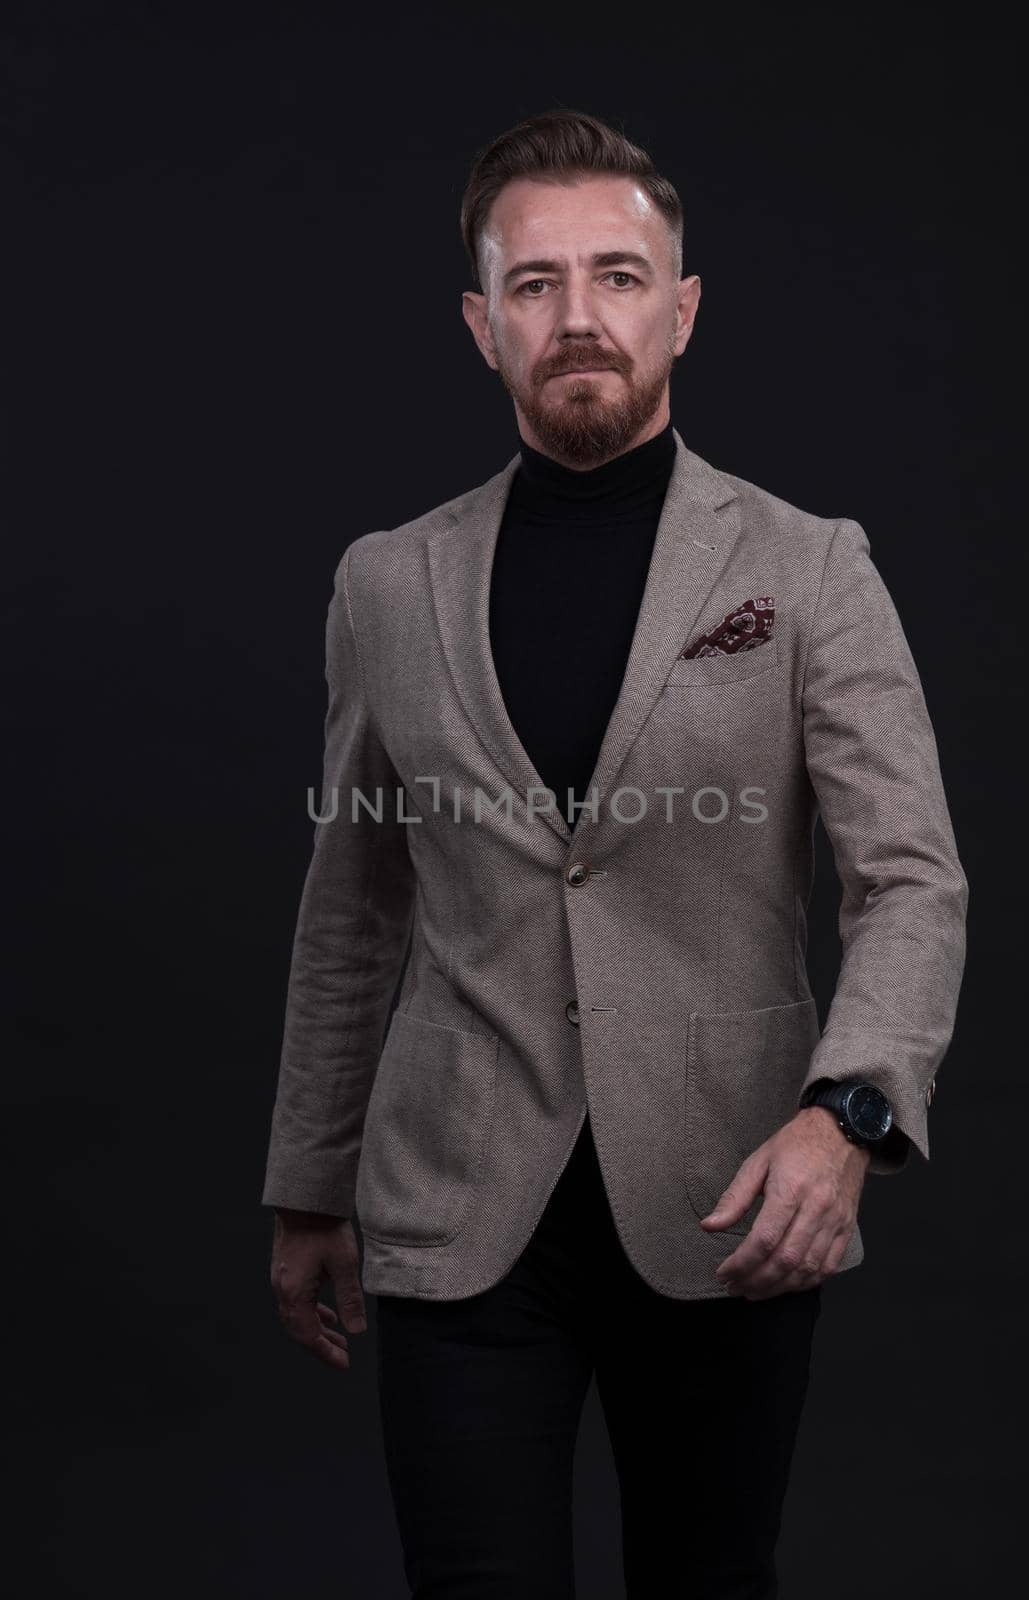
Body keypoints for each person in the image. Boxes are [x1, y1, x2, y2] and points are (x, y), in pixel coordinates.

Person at [262, 108, 967, 1598]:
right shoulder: (386, 583)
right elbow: (353, 907)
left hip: (734, 1202)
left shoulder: (806, 564)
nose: (578, 319)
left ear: (682, 307)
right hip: (455, 1207)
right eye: (534, 285)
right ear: (480, 323)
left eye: (618, 277)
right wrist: (309, 1185)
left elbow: (909, 878)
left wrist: (846, 1118)